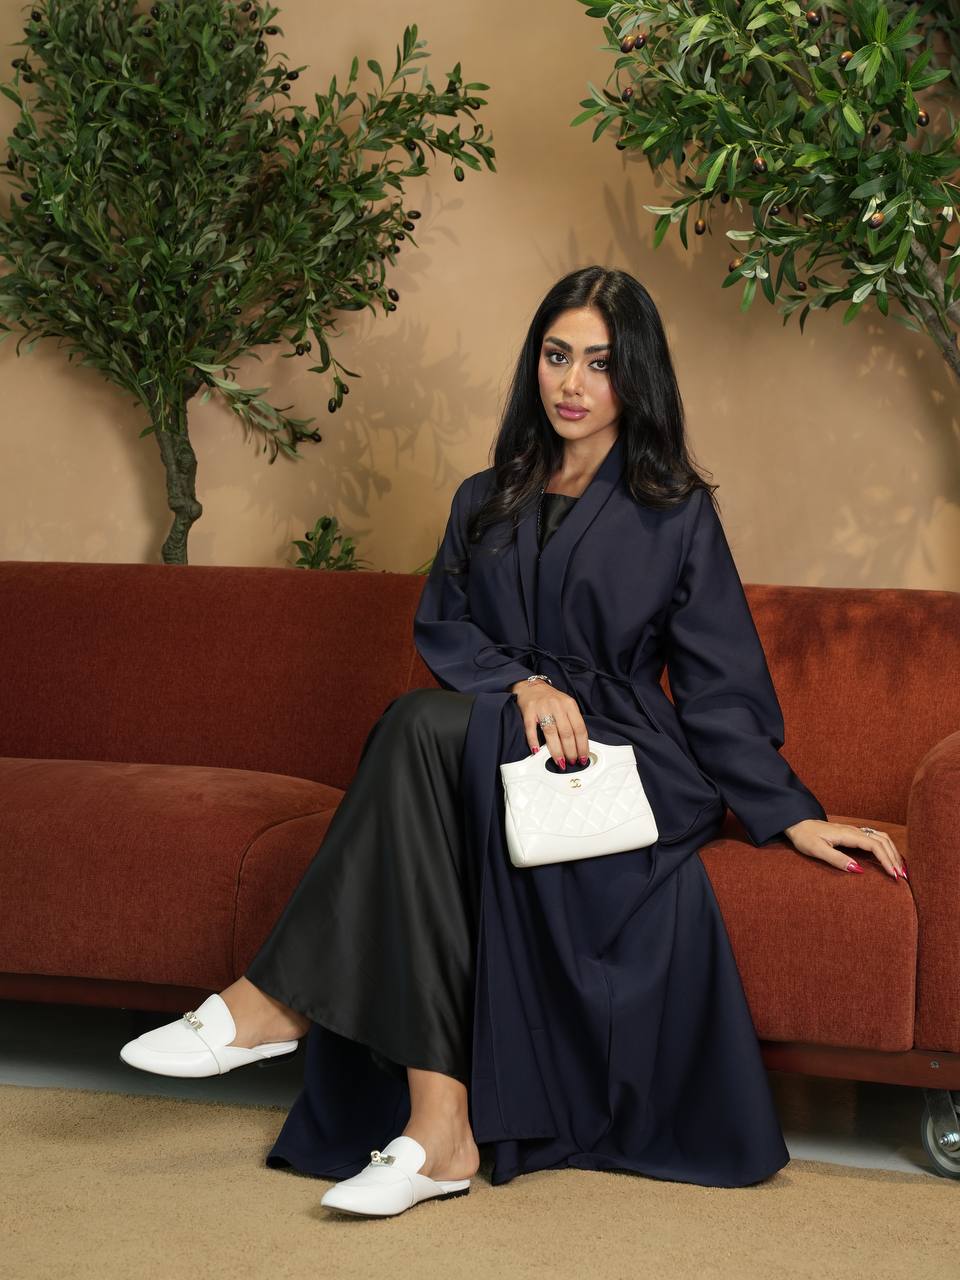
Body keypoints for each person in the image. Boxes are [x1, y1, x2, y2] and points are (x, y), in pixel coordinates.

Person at [119, 265, 907, 1218]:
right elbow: (445, 626)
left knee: (414, 727)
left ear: (636, 377)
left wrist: (791, 814)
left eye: (601, 364)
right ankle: (436, 1131)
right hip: (506, 729)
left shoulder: (675, 511)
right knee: (422, 757)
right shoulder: (484, 498)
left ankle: (275, 1006)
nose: (573, 383)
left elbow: (719, 688)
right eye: (557, 355)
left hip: (620, 756)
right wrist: (521, 685)